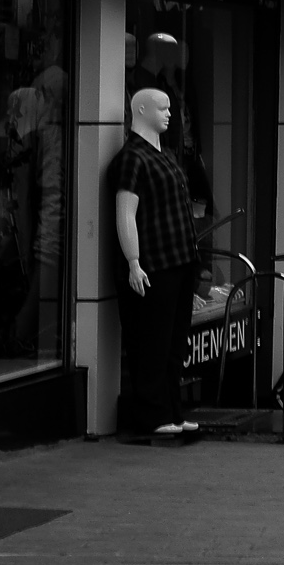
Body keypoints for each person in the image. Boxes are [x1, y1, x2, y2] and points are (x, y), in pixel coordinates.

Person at [112, 88, 198, 437]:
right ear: (142, 109)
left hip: (180, 260)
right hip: (155, 264)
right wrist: (133, 261)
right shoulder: (132, 158)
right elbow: (125, 211)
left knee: (175, 344)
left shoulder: (165, 156)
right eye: (161, 108)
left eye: (169, 107)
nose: (168, 113)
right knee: (152, 342)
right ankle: (152, 414)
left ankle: (172, 411)